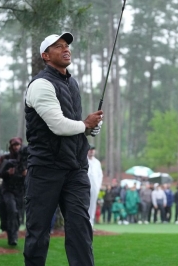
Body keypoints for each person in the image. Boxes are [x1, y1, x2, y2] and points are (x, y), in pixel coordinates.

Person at [24, 32, 103, 266]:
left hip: (75, 168)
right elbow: (58, 125)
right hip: (45, 169)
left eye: (66, 45)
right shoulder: (41, 84)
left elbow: (75, 124)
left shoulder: (73, 83)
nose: (65, 49)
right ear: (45, 56)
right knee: (38, 234)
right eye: (58, 46)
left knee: (81, 231)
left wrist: (90, 128)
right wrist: (84, 124)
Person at [0, 137, 26, 246]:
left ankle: (13, 235)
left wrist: (26, 174)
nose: (16, 147)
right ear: (11, 146)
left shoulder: (26, 159)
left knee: (17, 214)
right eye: (14, 145)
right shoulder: (5, 158)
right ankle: (12, 237)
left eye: (18, 145)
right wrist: (7, 172)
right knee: (12, 210)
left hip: (21, 191)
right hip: (7, 190)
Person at [87, 145, 103, 228]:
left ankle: (91, 224)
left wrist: (98, 185)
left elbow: (100, 175)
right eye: (90, 149)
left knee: (92, 205)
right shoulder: (84, 160)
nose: (91, 151)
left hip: (94, 186)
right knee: (84, 205)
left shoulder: (97, 162)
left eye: (93, 149)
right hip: (85, 186)